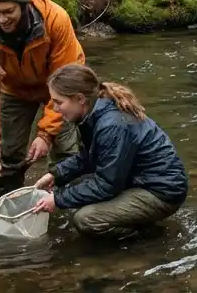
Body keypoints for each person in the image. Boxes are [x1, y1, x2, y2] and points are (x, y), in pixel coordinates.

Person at [30, 64, 188, 239]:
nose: (55, 109)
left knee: (85, 219)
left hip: (161, 191)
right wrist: (56, 174)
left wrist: (58, 199)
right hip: (139, 180)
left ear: (80, 99)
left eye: (59, 102)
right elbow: (88, 157)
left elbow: (106, 184)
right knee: (77, 191)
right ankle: (137, 219)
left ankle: (153, 236)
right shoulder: (93, 114)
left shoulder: (111, 125)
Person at [0, 0, 86, 195]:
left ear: (24, 4)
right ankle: (8, 203)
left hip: (62, 87)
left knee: (65, 150)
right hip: (15, 88)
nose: (2, 19)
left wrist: (45, 134)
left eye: (9, 11)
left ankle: (66, 203)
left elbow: (68, 81)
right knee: (8, 154)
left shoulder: (56, 19)